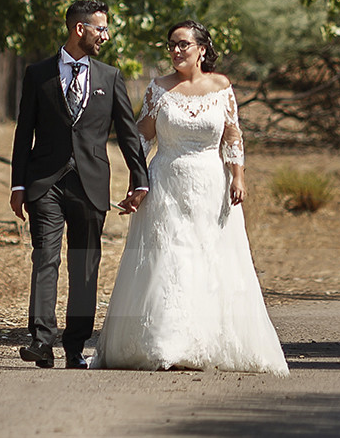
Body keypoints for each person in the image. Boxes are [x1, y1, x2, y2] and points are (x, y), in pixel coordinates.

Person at [90, 20, 288, 373]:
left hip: (212, 185)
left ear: (201, 49)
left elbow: (232, 136)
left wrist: (237, 177)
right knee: (170, 259)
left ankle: (208, 340)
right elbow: (143, 138)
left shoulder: (221, 87)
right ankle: (167, 342)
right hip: (166, 183)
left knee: (209, 259)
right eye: (171, 45)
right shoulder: (158, 89)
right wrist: (137, 181)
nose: (176, 51)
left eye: (183, 44)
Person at [10, 0, 150, 369]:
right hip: (45, 183)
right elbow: (24, 131)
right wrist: (17, 185)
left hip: (90, 183)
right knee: (45, 259)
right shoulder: (37, 73)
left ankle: (74, 347)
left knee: (84, 265)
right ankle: (41, 340)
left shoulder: (110, 77)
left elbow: (126, 134)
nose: (105, 36)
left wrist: (140, 179)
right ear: (80, 29)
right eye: (100, 29)